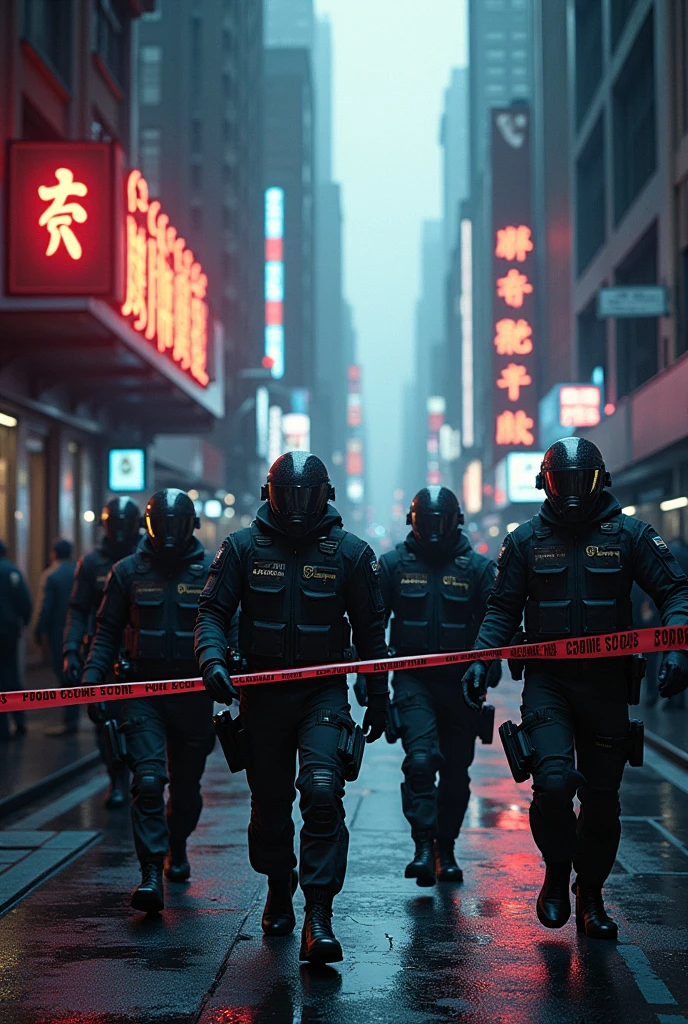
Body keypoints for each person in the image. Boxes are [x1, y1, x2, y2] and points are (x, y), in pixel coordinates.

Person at [462, 437, 688, 939]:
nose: (569, 493)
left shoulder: (631, 535)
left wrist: (677, 647)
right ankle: (556, 873)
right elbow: (501, 609)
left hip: (608, 686)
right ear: (545, 483)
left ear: (598, 482)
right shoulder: (524, 541)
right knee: (555, 783)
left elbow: (675, 591)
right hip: (549, 685)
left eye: (578, 482)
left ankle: (590, 895)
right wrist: (480, 659)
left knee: (603, 801)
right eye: (560, 482)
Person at [194, 451, 390, 965]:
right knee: (270, 812)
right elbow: (212, 613)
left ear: (325, 497)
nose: (298, 507)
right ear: (270, 496)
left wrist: (379, 695)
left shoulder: (351, 553)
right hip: (261, 699)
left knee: (323, 792)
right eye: (288, 496)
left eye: (307, 496)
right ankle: (279, 885)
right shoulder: (240, 549)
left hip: (324, 695)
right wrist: (212, 660)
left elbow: (372, 634)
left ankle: (319, 915)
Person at [83, 489, 215, 913]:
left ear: (191, 525)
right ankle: (150, 871)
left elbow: (227, 625)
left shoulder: (212, 571)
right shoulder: (127, 572)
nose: (171, 534)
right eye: (163, 525)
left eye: (179, 525)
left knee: (188, 791)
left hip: (194, 696)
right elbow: (105, 632)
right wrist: (91, 681)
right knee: (149, 781)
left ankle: (177, 843)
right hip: (142, 694)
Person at [360, 486, 498, 887]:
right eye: (427, 522)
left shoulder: (478, 569)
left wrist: (485, 666)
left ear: (456, 523)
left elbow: (496, 623)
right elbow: (372, 630)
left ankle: (446, 848)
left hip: (462, 687)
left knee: (456, 773)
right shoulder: (392, 566)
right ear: (413, 523)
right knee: (420, 761)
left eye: (442, 522)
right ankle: (423, 844)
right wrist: (374, 689)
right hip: (412, 681)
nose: (434, 530)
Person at [63, 497, 141, 806]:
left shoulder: (147, 558)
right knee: (105, 722)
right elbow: (78, 610)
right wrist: (71, 649)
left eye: (125, 524)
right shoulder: (92, 563)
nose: (119, 531)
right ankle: (116, 778)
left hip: (140, 655)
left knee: (141, 721)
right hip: (103, 654)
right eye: (114, 524)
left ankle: (141, 775)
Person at [35, 540, 77, 737]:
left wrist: (38, 629)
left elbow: (46, 606)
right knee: (75, 674)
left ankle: (70, 721)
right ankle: (73, 718)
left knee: (64, 675)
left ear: (54, 553)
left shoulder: (52, 575)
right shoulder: (78, 571)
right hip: (79, 630)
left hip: (59, 632)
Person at [0, 541, 33, 741]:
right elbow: (25, 601)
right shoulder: (13, 572)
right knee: (11, 676)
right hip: (9, 631)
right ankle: (20, 721)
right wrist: (25, 621)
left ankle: (2, 728)